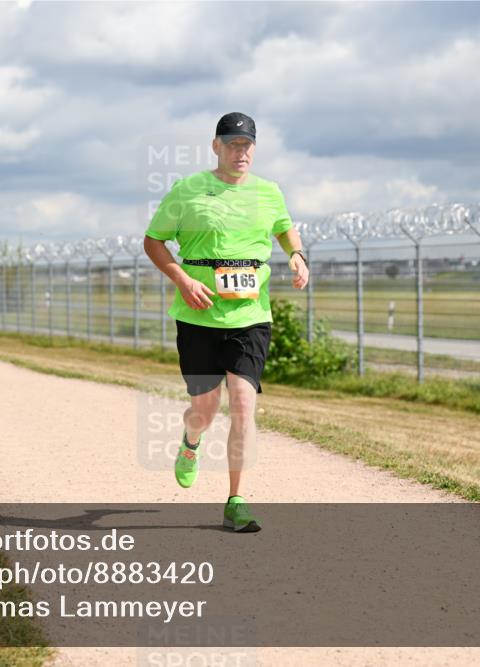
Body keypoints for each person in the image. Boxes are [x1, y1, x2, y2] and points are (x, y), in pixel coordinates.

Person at [143, 112, 309, 533]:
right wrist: (181, 279)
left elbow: (286, 230)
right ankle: (190, 440)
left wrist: (297, 254)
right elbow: (153, 240)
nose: (242, 152)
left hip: (250, 316)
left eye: (248, 144)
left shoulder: (269, 192)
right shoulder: (188, 190)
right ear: (216, 146)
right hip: (198, 315)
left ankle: (236, 500)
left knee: (242, 403)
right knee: (205, 410)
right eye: (234, 144)